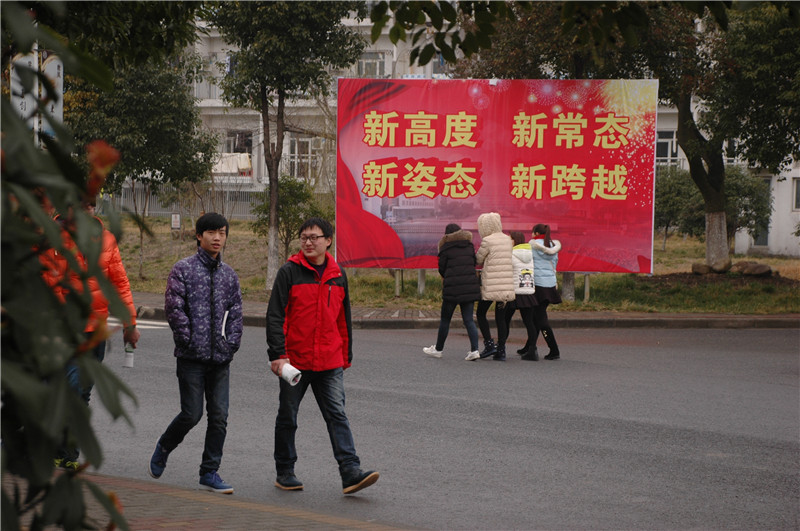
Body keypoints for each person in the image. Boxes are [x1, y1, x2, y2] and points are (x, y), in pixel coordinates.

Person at [266, 217, 379, 495]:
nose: (308, 242)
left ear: (328, 240)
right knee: (288, 417)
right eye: (304, 237)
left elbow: (344, 319)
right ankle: (285, 471)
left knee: (337, 415)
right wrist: (278, 355)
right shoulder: (289, 272)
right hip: (295, 361)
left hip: (329, 361)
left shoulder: (337, 274)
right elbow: (275, 316)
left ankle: (350, 472)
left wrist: (345, 356)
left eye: (314, 237)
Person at [41, 200, 140, 470]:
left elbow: (119, 282)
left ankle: (66, 452)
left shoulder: (105, 239)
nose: (87, 212)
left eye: (90, 206)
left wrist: (130, 323)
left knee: (81, 391)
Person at [149, 212, 243, 494]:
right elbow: (174, 308)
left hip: (220, 359)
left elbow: (236, 312)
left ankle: (209, 472)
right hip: (191, 357)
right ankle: (165, 445)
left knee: (219, 417)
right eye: (212, 232)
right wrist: (187, 339)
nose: (217, 238)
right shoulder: (183, 269)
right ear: (199, 236)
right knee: (191, 414)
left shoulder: (229, 275)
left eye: (222, 233)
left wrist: (231, 343)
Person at [423, 223, 482, 361]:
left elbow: (441, 268)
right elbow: (473, 263)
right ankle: (475, 350)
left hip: (452, 289)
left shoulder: (445, 248)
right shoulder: (469, 246)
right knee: (468, 320)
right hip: (469, 288)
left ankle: (438, 349)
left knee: (445, 319)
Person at [475, 212, 515, 361]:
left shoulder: (487, 241)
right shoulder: (507, 240)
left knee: (481, 314)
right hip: (506, 286)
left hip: (491, 285)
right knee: (501, 319)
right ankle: (501, 350)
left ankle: (489, 344)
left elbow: (479, 259)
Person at [504, 231, 539, 361]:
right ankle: (532, 350)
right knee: (529, 322)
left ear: (514, 241)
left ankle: (500, 347)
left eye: (510, 239)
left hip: (514, 292)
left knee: (505, 320)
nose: (508, 241)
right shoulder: (530, 255)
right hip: (528, 292)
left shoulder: (511, 254)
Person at [529, 223, 562, 360]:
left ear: (536, 233)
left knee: (541, 319)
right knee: (537, 316)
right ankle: (529, 347)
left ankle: (554, 350)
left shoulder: (532, 246)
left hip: (538, 285)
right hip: (550, 284)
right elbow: (554, 264)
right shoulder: (553, 245)